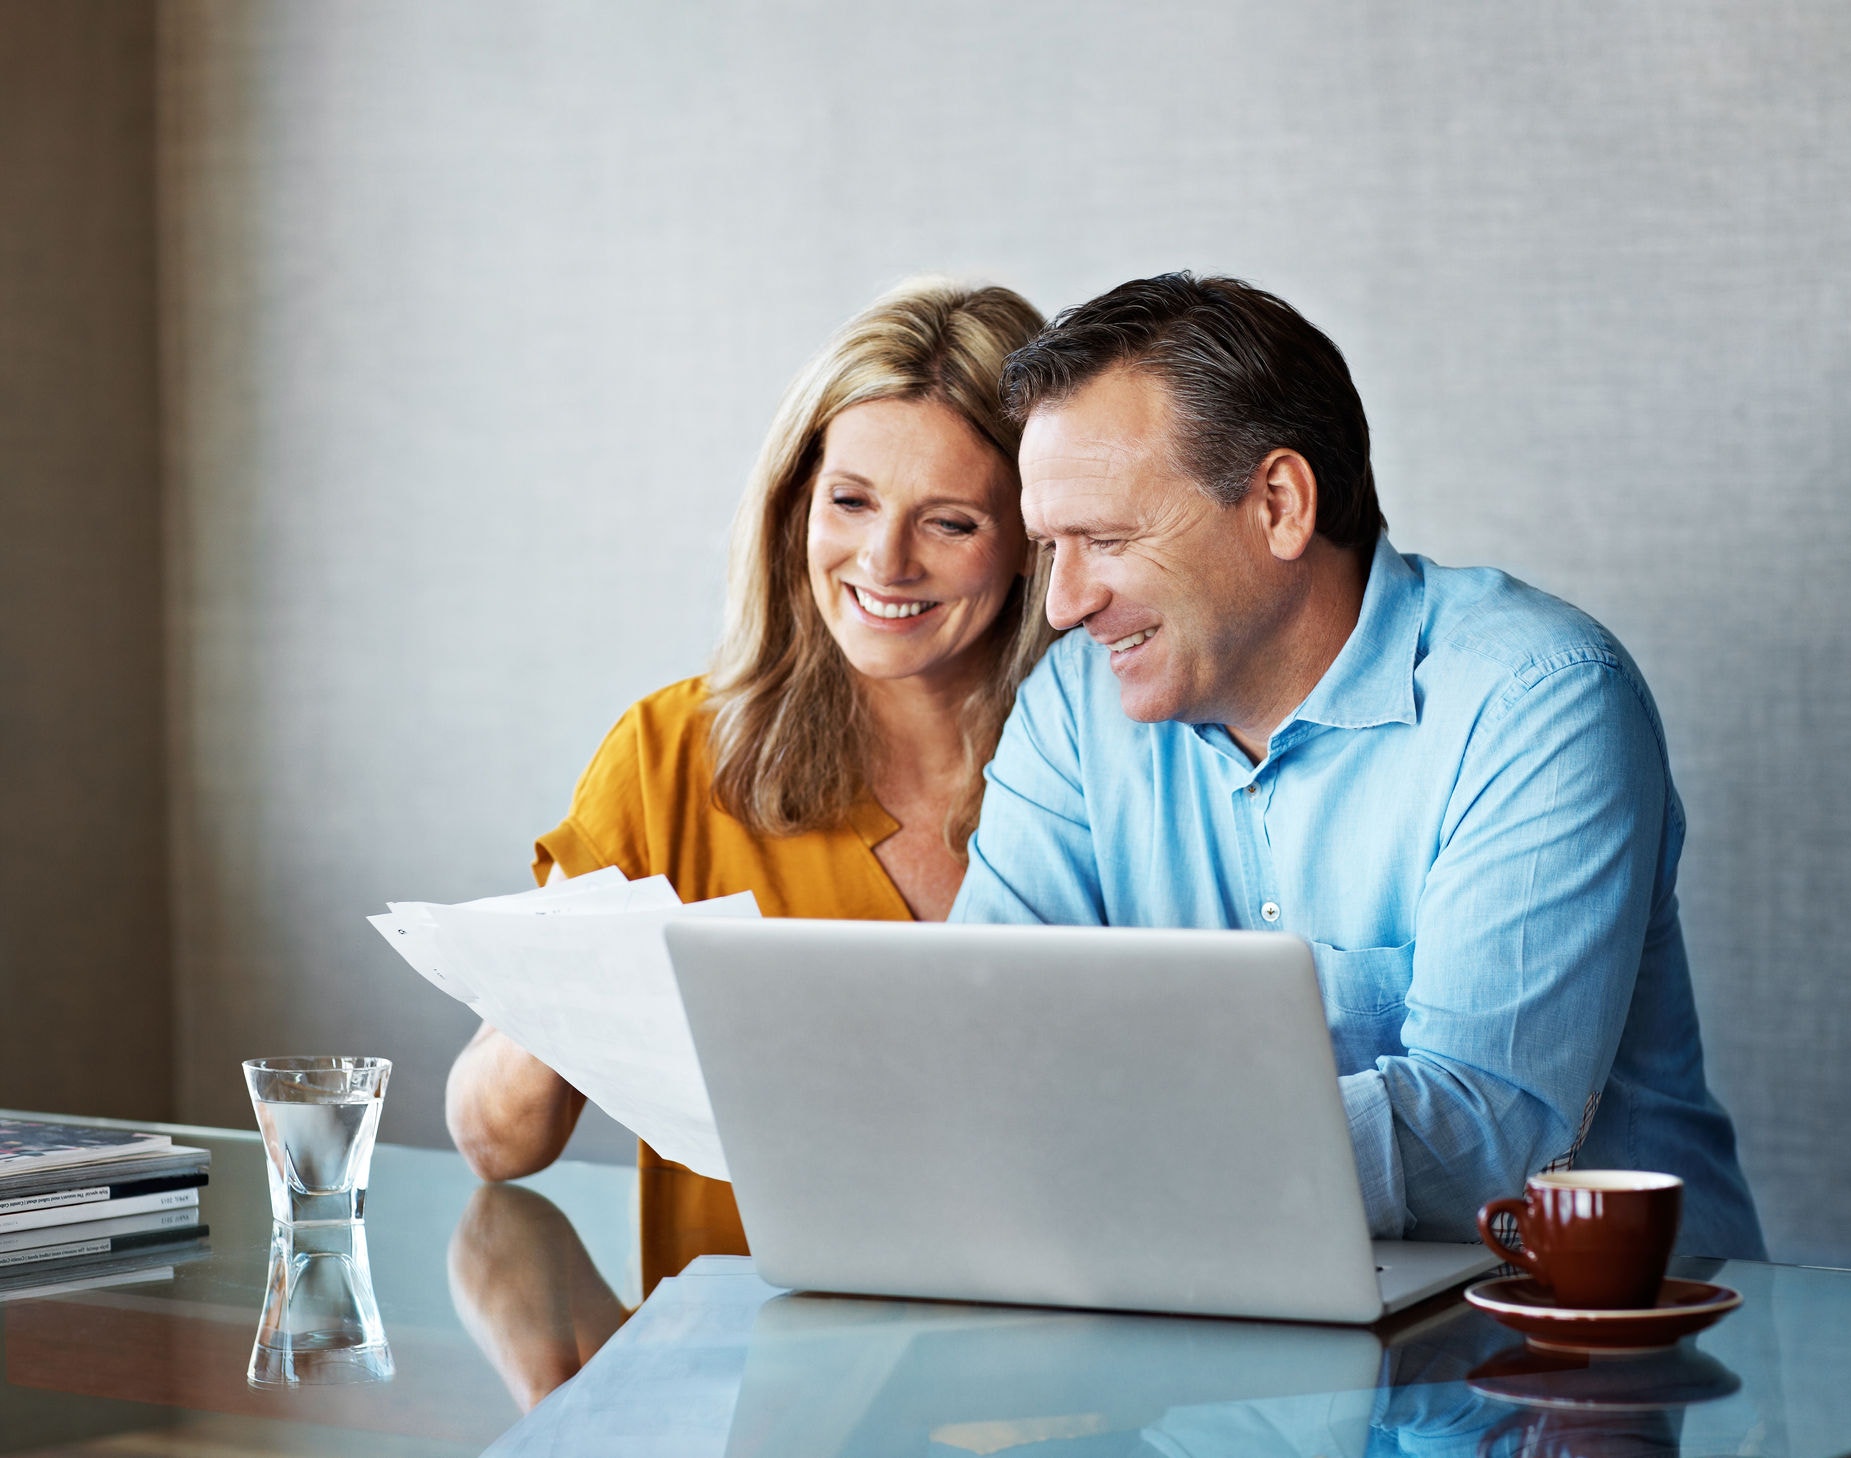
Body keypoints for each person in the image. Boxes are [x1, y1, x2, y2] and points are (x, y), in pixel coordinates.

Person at [953, 272, 1767, 1260]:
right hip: (1235, 1346)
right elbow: (987, 1051)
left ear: (1280, 505)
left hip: (1590, 1359)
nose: (1062, 605)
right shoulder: (1073, 716)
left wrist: (1106, 1152)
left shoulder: (1536, 697)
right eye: (1049, 549)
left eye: (1107, 540)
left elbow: (1484, 1133)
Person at [446, 278, 1055, 1286]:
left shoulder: (1115, 771)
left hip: (1053, 1386)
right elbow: (496, 1142)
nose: (883, 561)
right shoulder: (672, 753)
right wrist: (582, 969)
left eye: (949, 522)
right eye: (849, 502)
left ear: (1034, 542)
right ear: (792, 509)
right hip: (744, 1386)